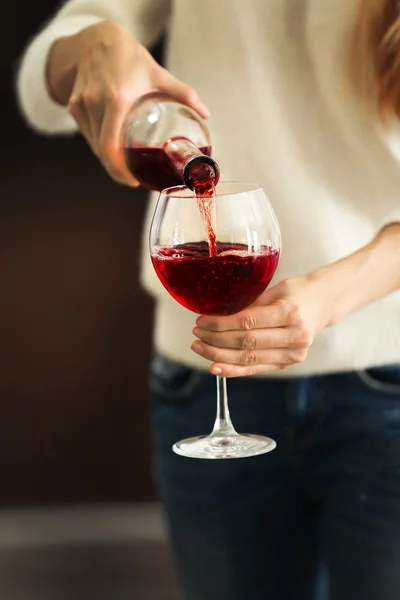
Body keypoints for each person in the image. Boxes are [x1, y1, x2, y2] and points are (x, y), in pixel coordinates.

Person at [16, 1, 400, 599]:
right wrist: (89, 45)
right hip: (201, 381)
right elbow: (44, 78)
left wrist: (331, 296)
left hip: (388, 372)